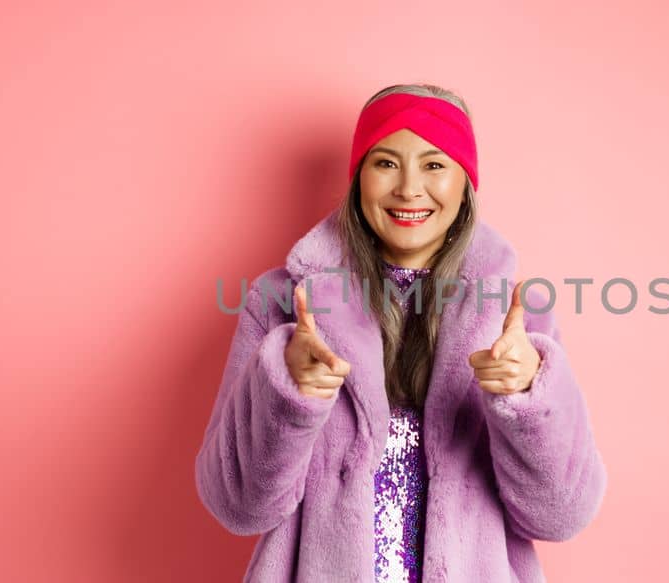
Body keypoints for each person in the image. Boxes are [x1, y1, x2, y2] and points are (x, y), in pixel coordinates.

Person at [195, 83, 606, 582]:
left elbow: (560, 516)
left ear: (464, 183)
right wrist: (289, 391)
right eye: (386, 163)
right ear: (358, 179)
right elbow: (238, 507)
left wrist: (523, 398)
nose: (409, 188)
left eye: (434, 165)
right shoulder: (282, 303)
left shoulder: (516, 317)